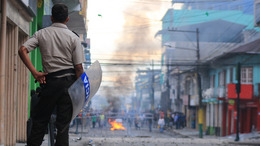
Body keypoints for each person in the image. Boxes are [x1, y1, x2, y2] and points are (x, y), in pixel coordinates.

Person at [18, 3, 84, 146]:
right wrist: (80, 93)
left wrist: (35, 73)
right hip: (68, 86)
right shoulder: (74, 38)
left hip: (49, 84)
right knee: (62, 127)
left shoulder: (41, 34)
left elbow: (22, 50)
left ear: (52, 18)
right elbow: (78, 68)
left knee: (39, 122)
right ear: (67, 19)